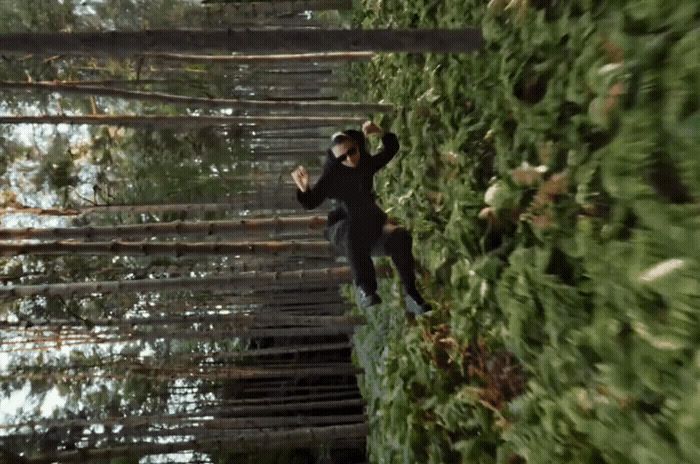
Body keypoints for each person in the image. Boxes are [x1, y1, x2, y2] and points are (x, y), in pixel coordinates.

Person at [291, 120, 432, 315]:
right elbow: (311, 202)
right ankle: (365, 289)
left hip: (371, 224)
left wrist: (380, 132)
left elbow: (391, 150)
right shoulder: (332, 175)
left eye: (352, 152)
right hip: (343, 229)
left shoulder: (364, 163)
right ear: (336, 160)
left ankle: (412, 296)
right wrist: (304, 187)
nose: (350, 159)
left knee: (401, 237)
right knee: (351, 229)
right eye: (343, 158)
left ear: (357, 147)